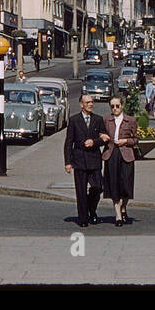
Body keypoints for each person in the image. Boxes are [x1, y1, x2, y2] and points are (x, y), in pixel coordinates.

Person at [64, 93, 109, 227]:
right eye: (87, 102)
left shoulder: (98, 119)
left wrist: (94, 142)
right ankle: (83, 218)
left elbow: (105, 138)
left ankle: (91, 208)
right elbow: (68, 143)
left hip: (94, 159)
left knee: (97, 187)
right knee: (81, 191)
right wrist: (68, 162)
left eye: (91, 102)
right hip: (79, 160)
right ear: (81, 105)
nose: (90, 104)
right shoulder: (74, 120)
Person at [102, 95, 138, 226]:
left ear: (122, 106)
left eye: (117, 106)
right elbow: (100, 133)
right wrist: (102, 135)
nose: (115, 108)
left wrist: (126, 141)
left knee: (126, 184)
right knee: (114, 184)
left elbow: (136, 139)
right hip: (111, 153)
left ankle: (124, 206)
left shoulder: (131, 120)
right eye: (112, 106)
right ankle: (118, 215)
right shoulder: (106, 119)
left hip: (126, 153)